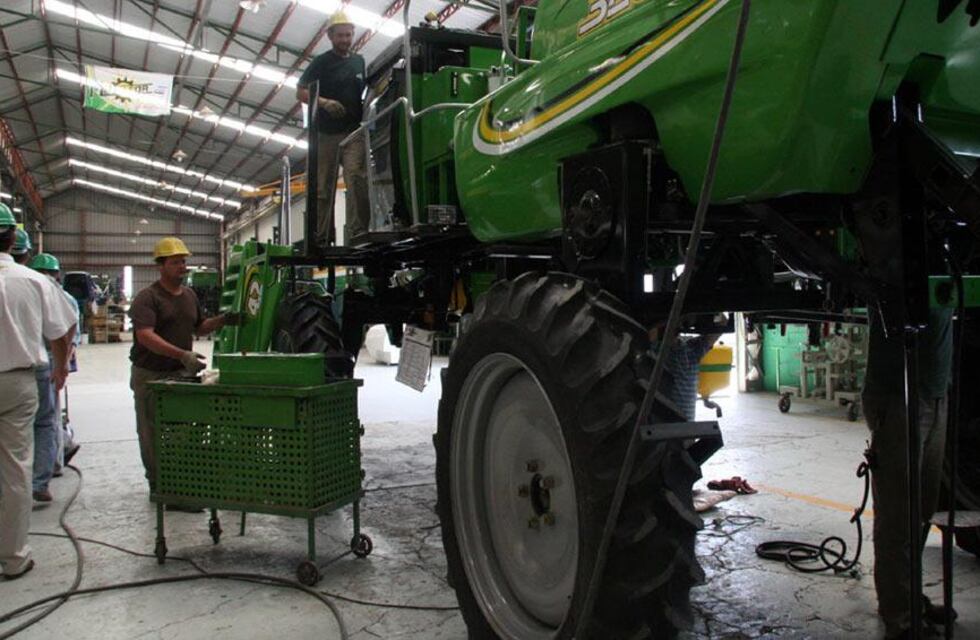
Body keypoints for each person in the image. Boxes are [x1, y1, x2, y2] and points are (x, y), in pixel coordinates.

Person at [862, 307, 954, 639]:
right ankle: (899, 619)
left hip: (935, 393)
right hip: (900, 396)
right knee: (898, 516)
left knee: (921, 512)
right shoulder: (897, 275)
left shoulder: (944, 275)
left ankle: (909, 599)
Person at [0, 203, 77, 580]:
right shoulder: (33, 281)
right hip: (18, 381)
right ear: (14, 238)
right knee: (16, 470)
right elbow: (62, 328)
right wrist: (60, 367)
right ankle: (14, 558)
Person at [129, 237, 232, 495]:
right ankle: (158, 486)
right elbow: (145, 335)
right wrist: (182, 354)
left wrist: (223, 320)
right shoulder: (148, 298)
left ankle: (178, 482)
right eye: (175, 262)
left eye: (183, 262)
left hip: (180, 374)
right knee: (151, 432)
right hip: (150, 375)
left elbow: (199, 327)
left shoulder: (189, 295)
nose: (182, 267)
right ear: (161, 266)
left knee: (182, 430)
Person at [296, 10, 369, 246]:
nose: (345, 40)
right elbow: (301, 92)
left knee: (356, 178)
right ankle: (322, 237)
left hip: (353, 132)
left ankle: (358, 232)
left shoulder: (359, 62)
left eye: (348, 35)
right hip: (326, 134)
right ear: (330, 36)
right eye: (340, 36)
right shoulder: (321, 63)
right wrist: (324, 103)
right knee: (323, 187)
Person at [29, 253, 82, 481]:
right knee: (48, 417)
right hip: (48, 359)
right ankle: (52, 463)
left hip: (40, 359)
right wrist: (63, 365)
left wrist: (62, 364)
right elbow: (71, 335)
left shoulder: (37, 292)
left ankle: (52, 462)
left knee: (43, 418)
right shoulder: (64, 297)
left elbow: (69, 336)